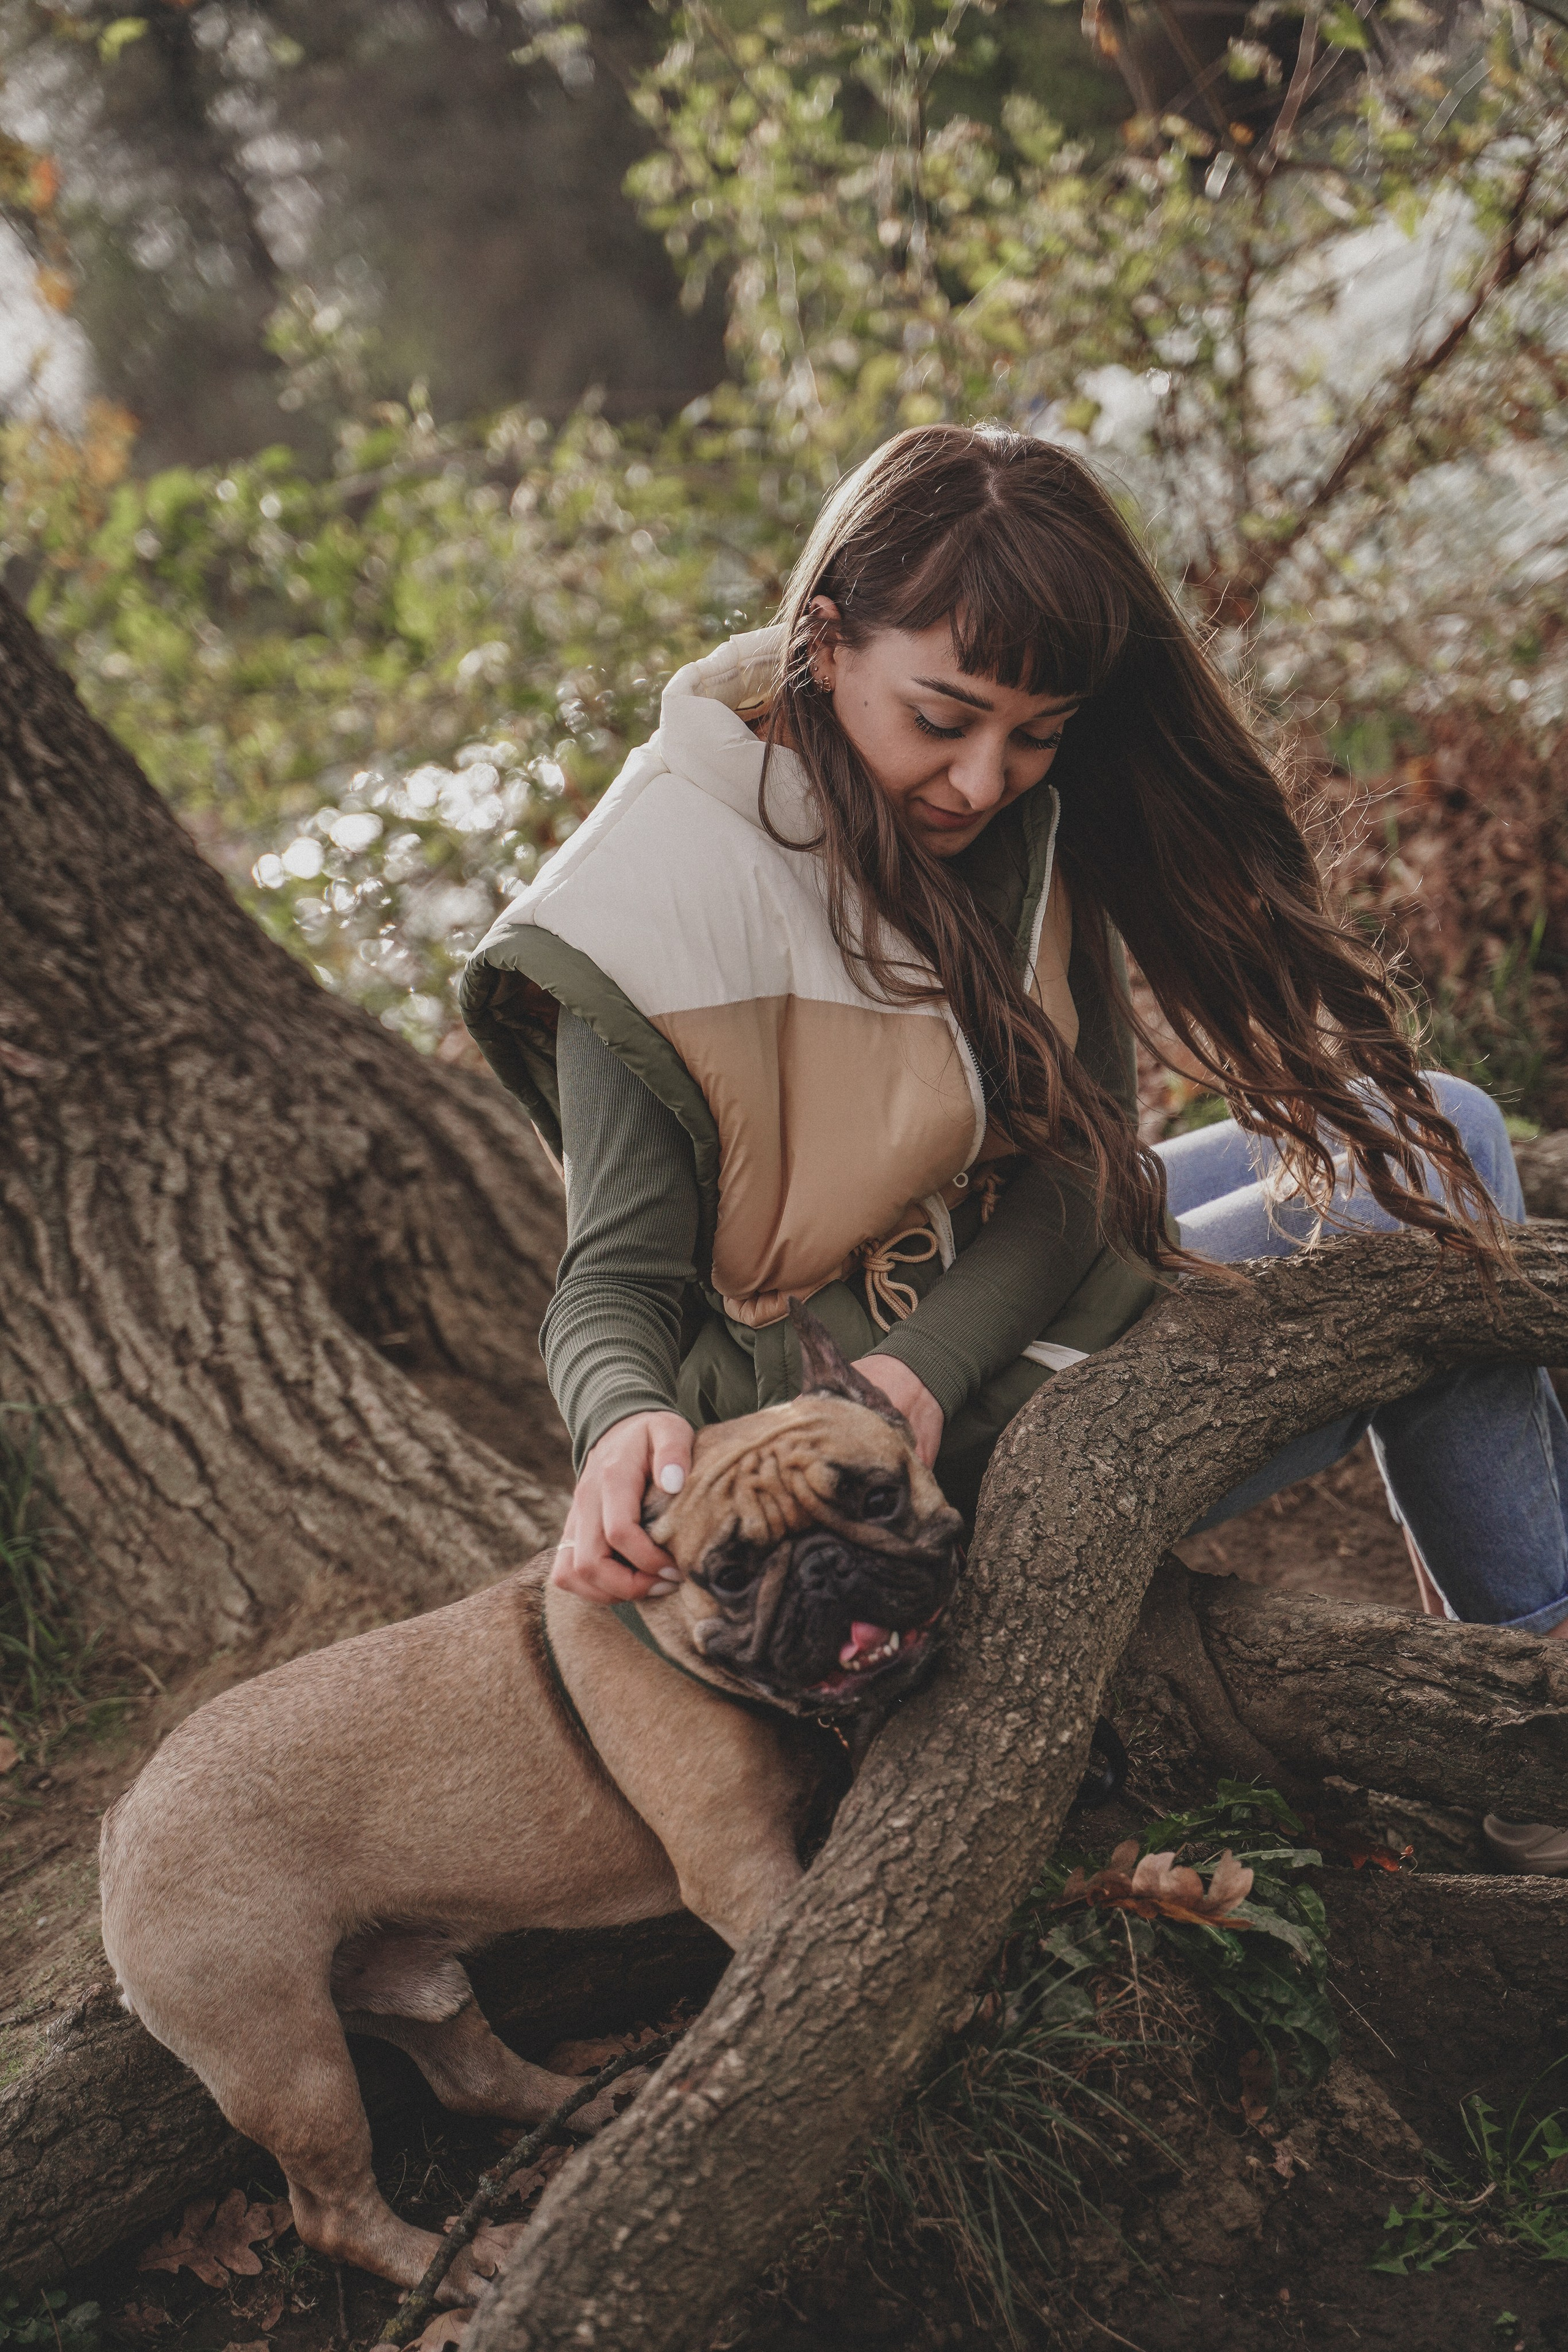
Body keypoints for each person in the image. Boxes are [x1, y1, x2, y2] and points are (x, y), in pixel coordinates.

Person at [461, 423, 1568, 1865]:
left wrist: (933, 1353)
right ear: (824, 639)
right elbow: (610, 1284)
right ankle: (1532, 1710)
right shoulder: (641, 905)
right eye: (943, 716)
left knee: (1448, 1124)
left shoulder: (1022, 816)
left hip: (972, 1312)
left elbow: (1086, 1163)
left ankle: (1520, 1647)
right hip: (855, 1442)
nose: (982, 779)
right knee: (1412, 1204)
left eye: (1031, 732)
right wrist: (621, 1422)